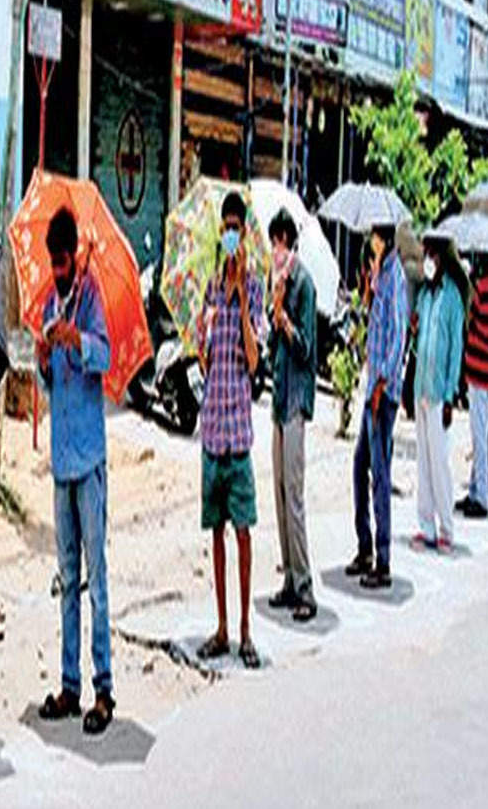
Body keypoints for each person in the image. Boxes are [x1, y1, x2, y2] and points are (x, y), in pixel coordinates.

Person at [34, 207, 116, 735]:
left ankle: (103, 687)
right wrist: (45, 355)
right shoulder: (49, 300)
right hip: (60, 460)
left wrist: (76, 341)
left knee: (96, 577)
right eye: (54, 265)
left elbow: (104, 357)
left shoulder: (90, 301)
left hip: (89, 458)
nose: (59, 271)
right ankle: (69, 683)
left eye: (63, 263)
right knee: (67, 579)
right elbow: (47, 380)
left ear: (73, 256)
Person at [196, 191, 263, 669]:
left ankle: (244, 630)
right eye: (227, 227)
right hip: (211, 431)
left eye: (237, 226)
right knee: (215, 534)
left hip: (238, 432)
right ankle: (220, 626)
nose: (231, 233)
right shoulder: (211, 286)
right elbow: (202, 357)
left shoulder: (252, 287)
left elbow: (255, 360)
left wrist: (240, 304)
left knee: (243, 533)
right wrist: (208, 323)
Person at [349, 223, 409, 590]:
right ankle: (365, 546)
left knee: (379, 474)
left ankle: (382, 559)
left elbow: (399, 334)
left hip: (382, 394)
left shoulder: (396, 278)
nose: (369, 238)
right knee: (360, 465)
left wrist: (383, 382)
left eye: (373, 234)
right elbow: (376, 325)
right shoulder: (379, 275)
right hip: (373, 386)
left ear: (383, 239)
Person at [266, 210, 318, 622]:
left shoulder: (304, 286)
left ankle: (306, 586)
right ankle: (288, 578)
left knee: (295, 496)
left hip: (297, 400)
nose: (273, 252)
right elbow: (273, 348)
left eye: (277, 244)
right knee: (280, 493)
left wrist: (283, 317)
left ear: (287, 243)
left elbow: (306, 350)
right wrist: (273, 310)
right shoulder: (279, 286)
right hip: (279, 400)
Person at [410, 234, 465, 551]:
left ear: (443, 257)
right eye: (425, 252)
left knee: (440, 462)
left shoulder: (452, 298)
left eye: (432, 253)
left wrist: (451, 394)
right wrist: (414, 329)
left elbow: (455, 348)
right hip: (420, 387)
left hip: (440, 391)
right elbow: (419, 344)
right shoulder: (426, 296)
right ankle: (426, 525)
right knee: (423, 461)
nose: (427, 258)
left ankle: (446, 528)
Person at [459, 253, 488, 519]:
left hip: (476, 367)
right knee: (481, 429)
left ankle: (481, 497)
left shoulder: (481, 291)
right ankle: (475, 488)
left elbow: (472, 323)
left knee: (478, 434)